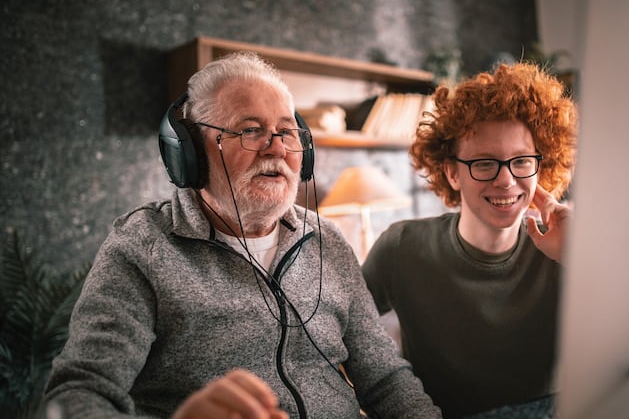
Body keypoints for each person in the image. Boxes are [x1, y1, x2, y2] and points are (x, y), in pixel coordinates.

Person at [44, 51, 442, 419]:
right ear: (190, 154)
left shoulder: (328, 240)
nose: (276, 149)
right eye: (250, 131)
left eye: (287, 132)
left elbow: (386, 379)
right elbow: (79, 395)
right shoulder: (141, 247)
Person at [362, 62, 577, 418]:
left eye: (521, 161)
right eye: (484, 163)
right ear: (452, 172)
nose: (506, 181)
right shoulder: (402, 248)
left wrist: (577, 256)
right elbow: (340, 332)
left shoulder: (561, 248)